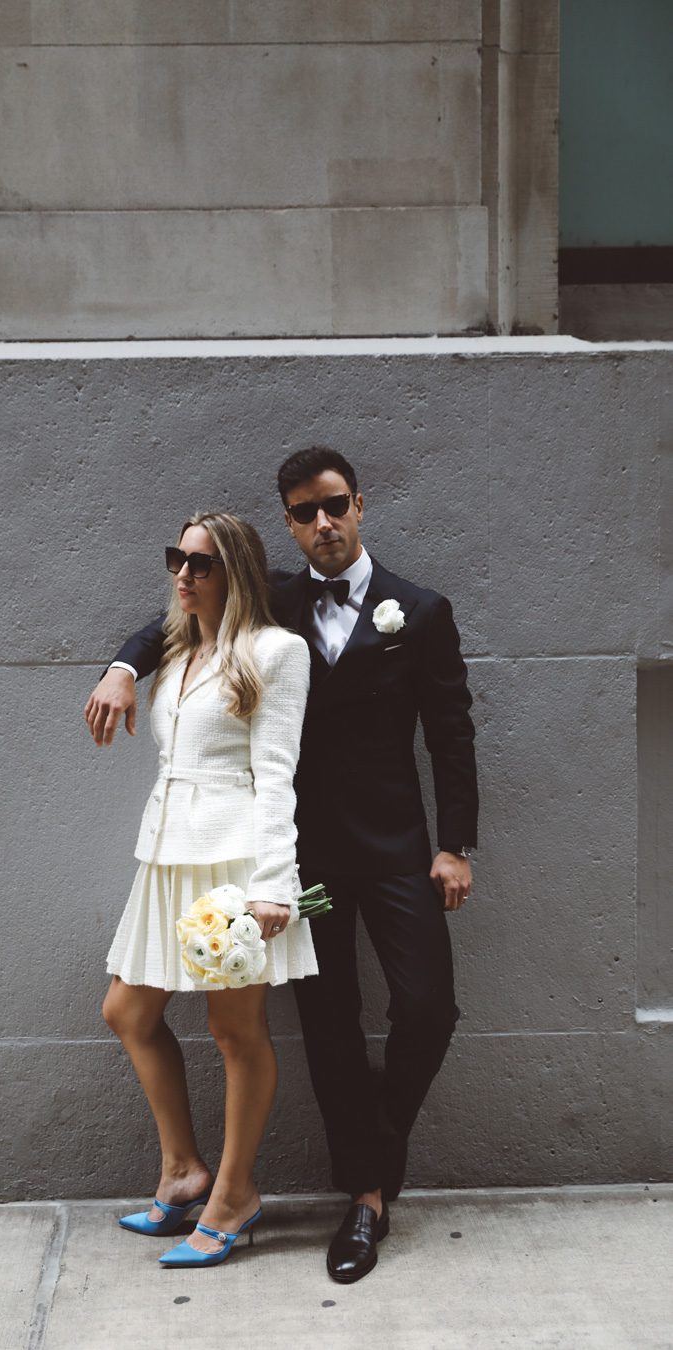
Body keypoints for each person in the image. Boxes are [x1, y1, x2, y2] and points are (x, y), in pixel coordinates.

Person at [85, 448, 478, 1284]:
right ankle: (365, 1197)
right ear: (290, 524)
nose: (322, 523)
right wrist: (122, 665)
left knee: (428, 1006)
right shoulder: (273, 606)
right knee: (328, 1028)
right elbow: (172, 625)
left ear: (360, 505)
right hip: (310, 861)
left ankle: (377, 1140)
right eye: (304, 513)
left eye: (334, 506)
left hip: (396, 849)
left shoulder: (420, 609)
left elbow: (450, 732)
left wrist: (454, 843)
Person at [97, 510, 316, 1269]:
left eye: (201, 564)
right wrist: (123, 669)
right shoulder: (179, 645)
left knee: (235, 1034)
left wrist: (273, 886)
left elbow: (277, 777)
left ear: (238, 572)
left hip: (232, 861)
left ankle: (233, 1194)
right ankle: (183, 1167)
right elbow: (140, 650)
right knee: (126, 1010)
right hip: (165, 858)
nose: (183, 576)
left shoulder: (277, 652)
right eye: (176, 561)